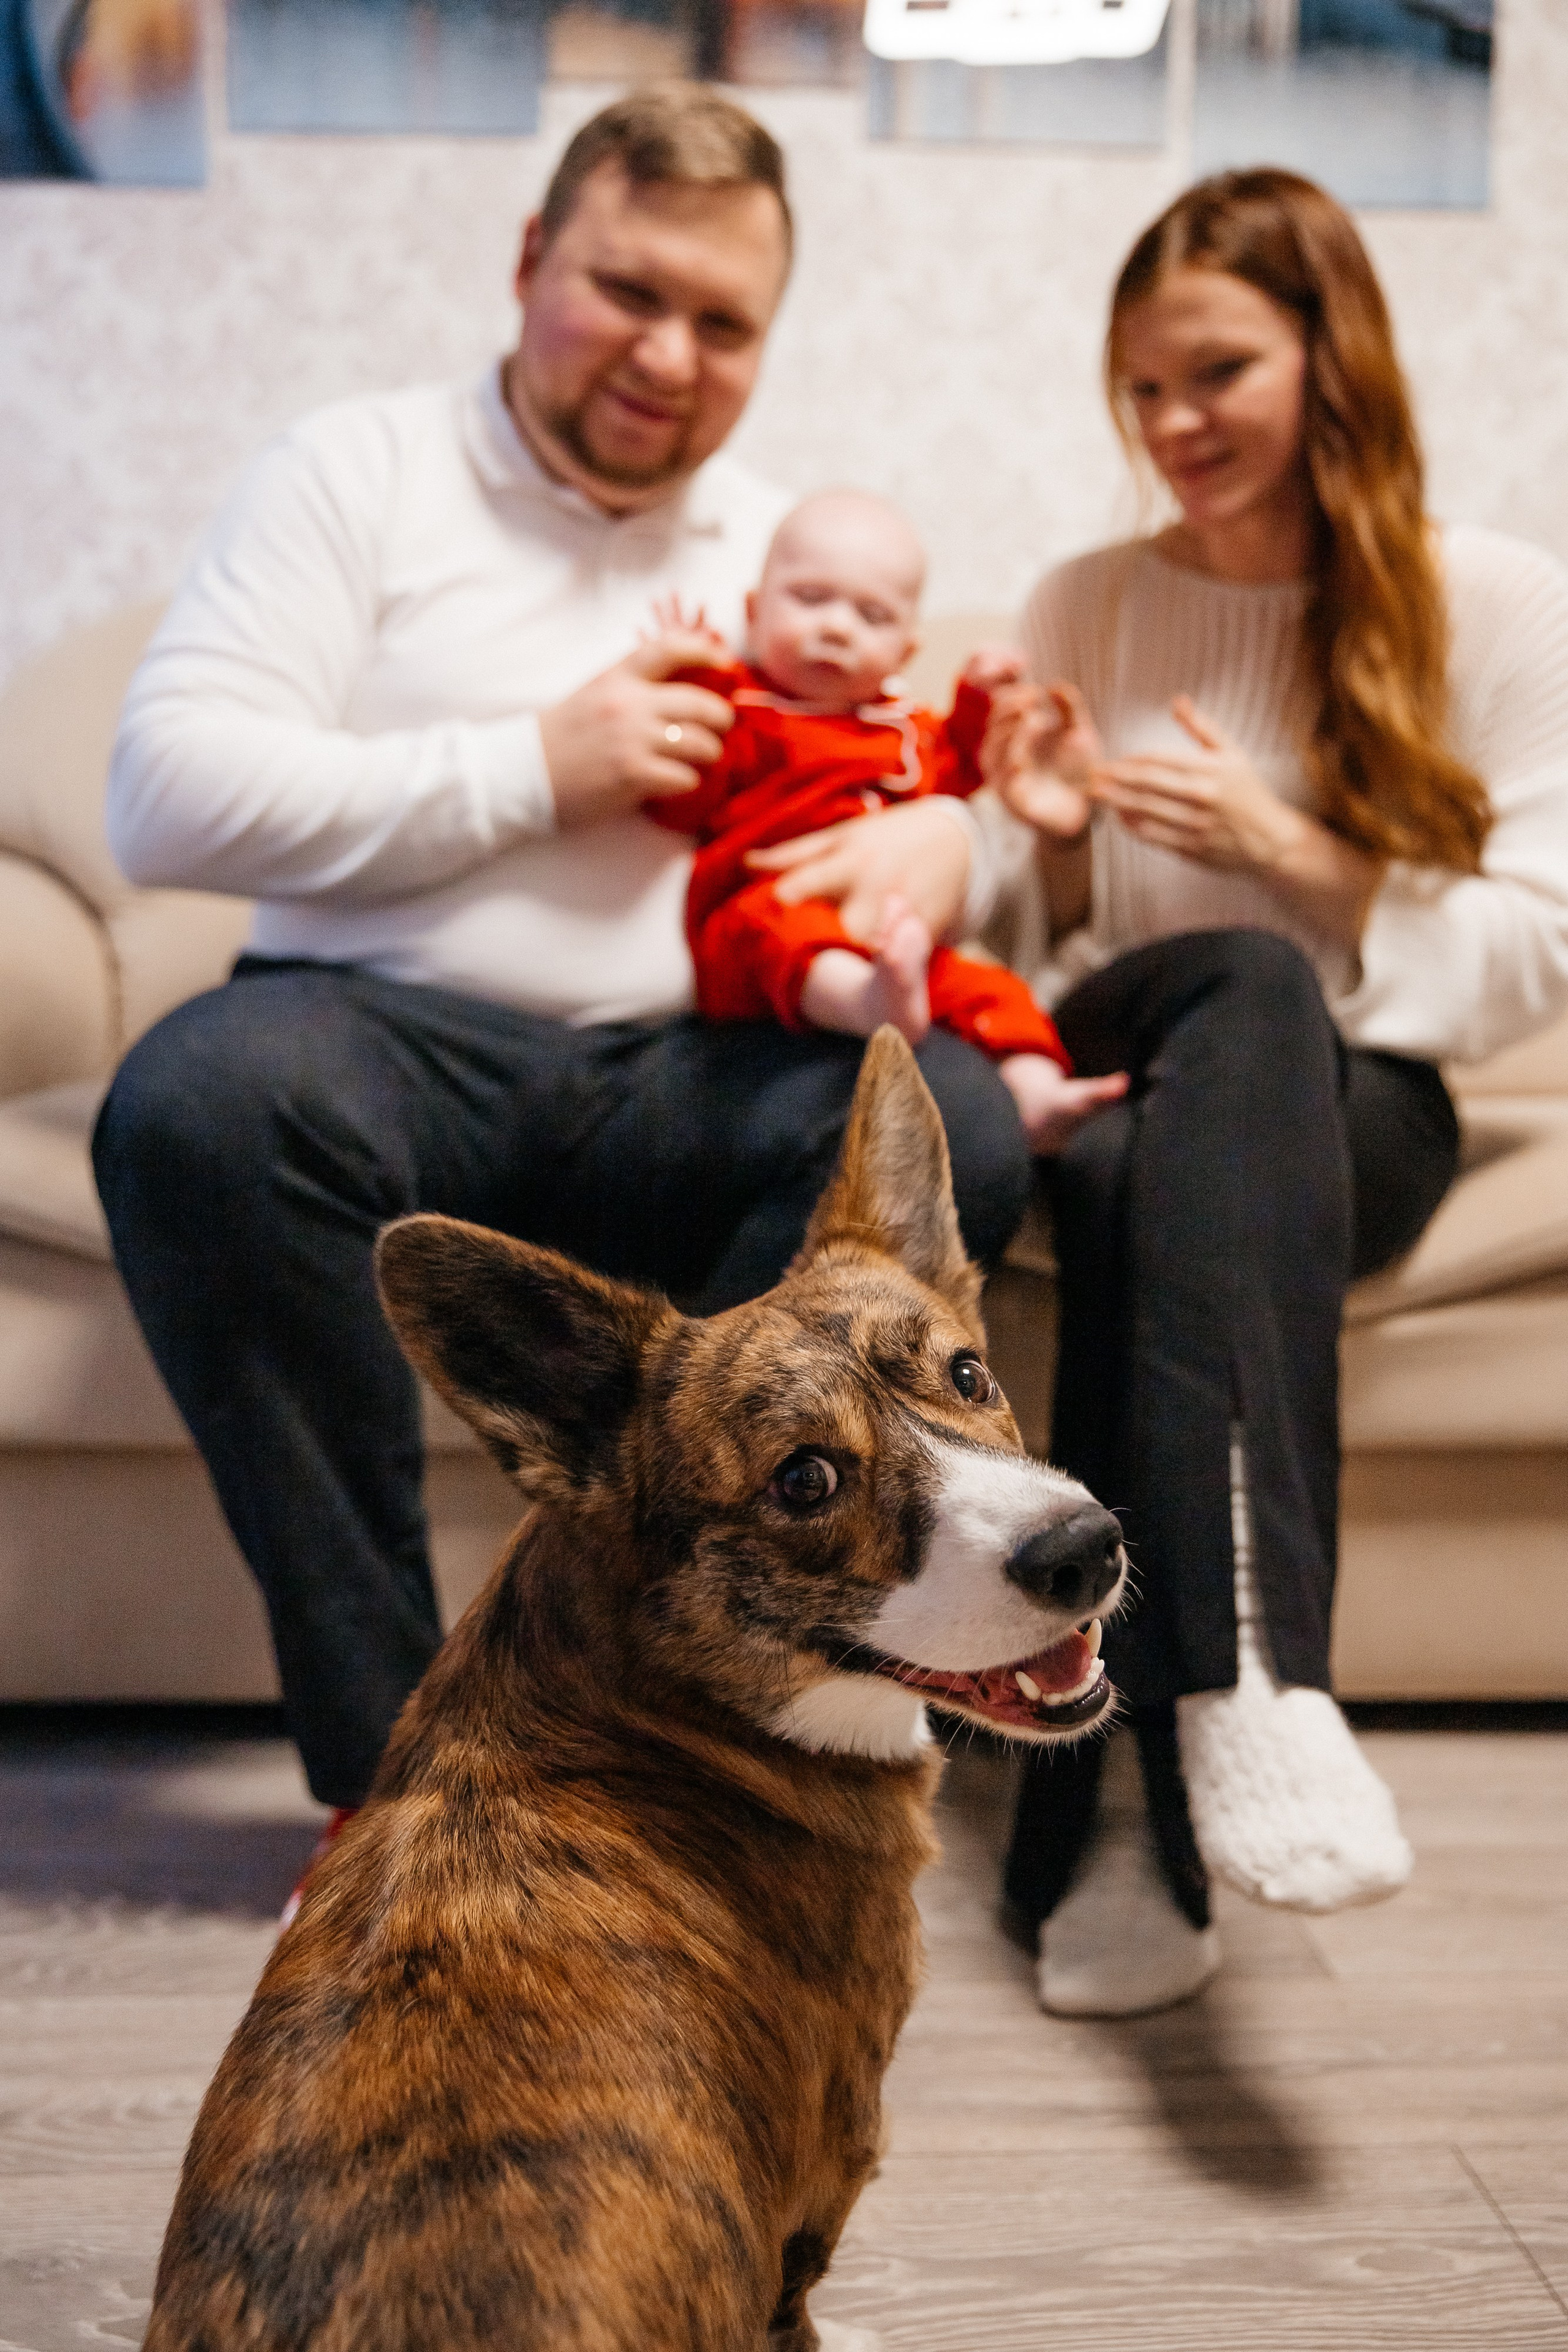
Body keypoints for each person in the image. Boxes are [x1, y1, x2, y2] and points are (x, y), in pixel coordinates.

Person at [91, 87, 1034, 1826]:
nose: (669, 355)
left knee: (953, 1118)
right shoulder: (353, 473)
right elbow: (161, 799)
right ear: (532, 261)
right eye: (627, 290)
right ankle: (395, 1789)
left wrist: (961, 838)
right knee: (195, 1104)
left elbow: (958, 760)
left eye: (724, 320)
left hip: (694, 1070)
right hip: (376, 1043)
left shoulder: (795, 546)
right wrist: (534, 768)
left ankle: (732, 1771)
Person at [986, 167, 1568, 2019]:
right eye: (1138, 387)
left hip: (1353, 1094)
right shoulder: (1081, 598)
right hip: (1123, 1033)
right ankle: (1246, 1679)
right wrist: (1052, 839)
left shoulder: (1486, 601)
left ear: (1332, 358)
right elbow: (1029, 947)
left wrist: (1293, 851)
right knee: (1209, 995)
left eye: (1213, 374)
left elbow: (1539, 952)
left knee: (1207, 1075)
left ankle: (1101, 1803)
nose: (1168, 428)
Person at [644, 486, 1129, 1150]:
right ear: (754, 613)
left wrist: (978, 700)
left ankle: (1036, 1091)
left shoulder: (899, 727)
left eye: (871, 616)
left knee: (990, 989)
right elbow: (676, 800)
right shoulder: (743, 711)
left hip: (892, 943)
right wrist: (689, 683)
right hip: (762, 910)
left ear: (904, 653)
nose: (837, 627)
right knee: (776, 928)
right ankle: (868, 1005)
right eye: (810, 599)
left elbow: (956, 777)